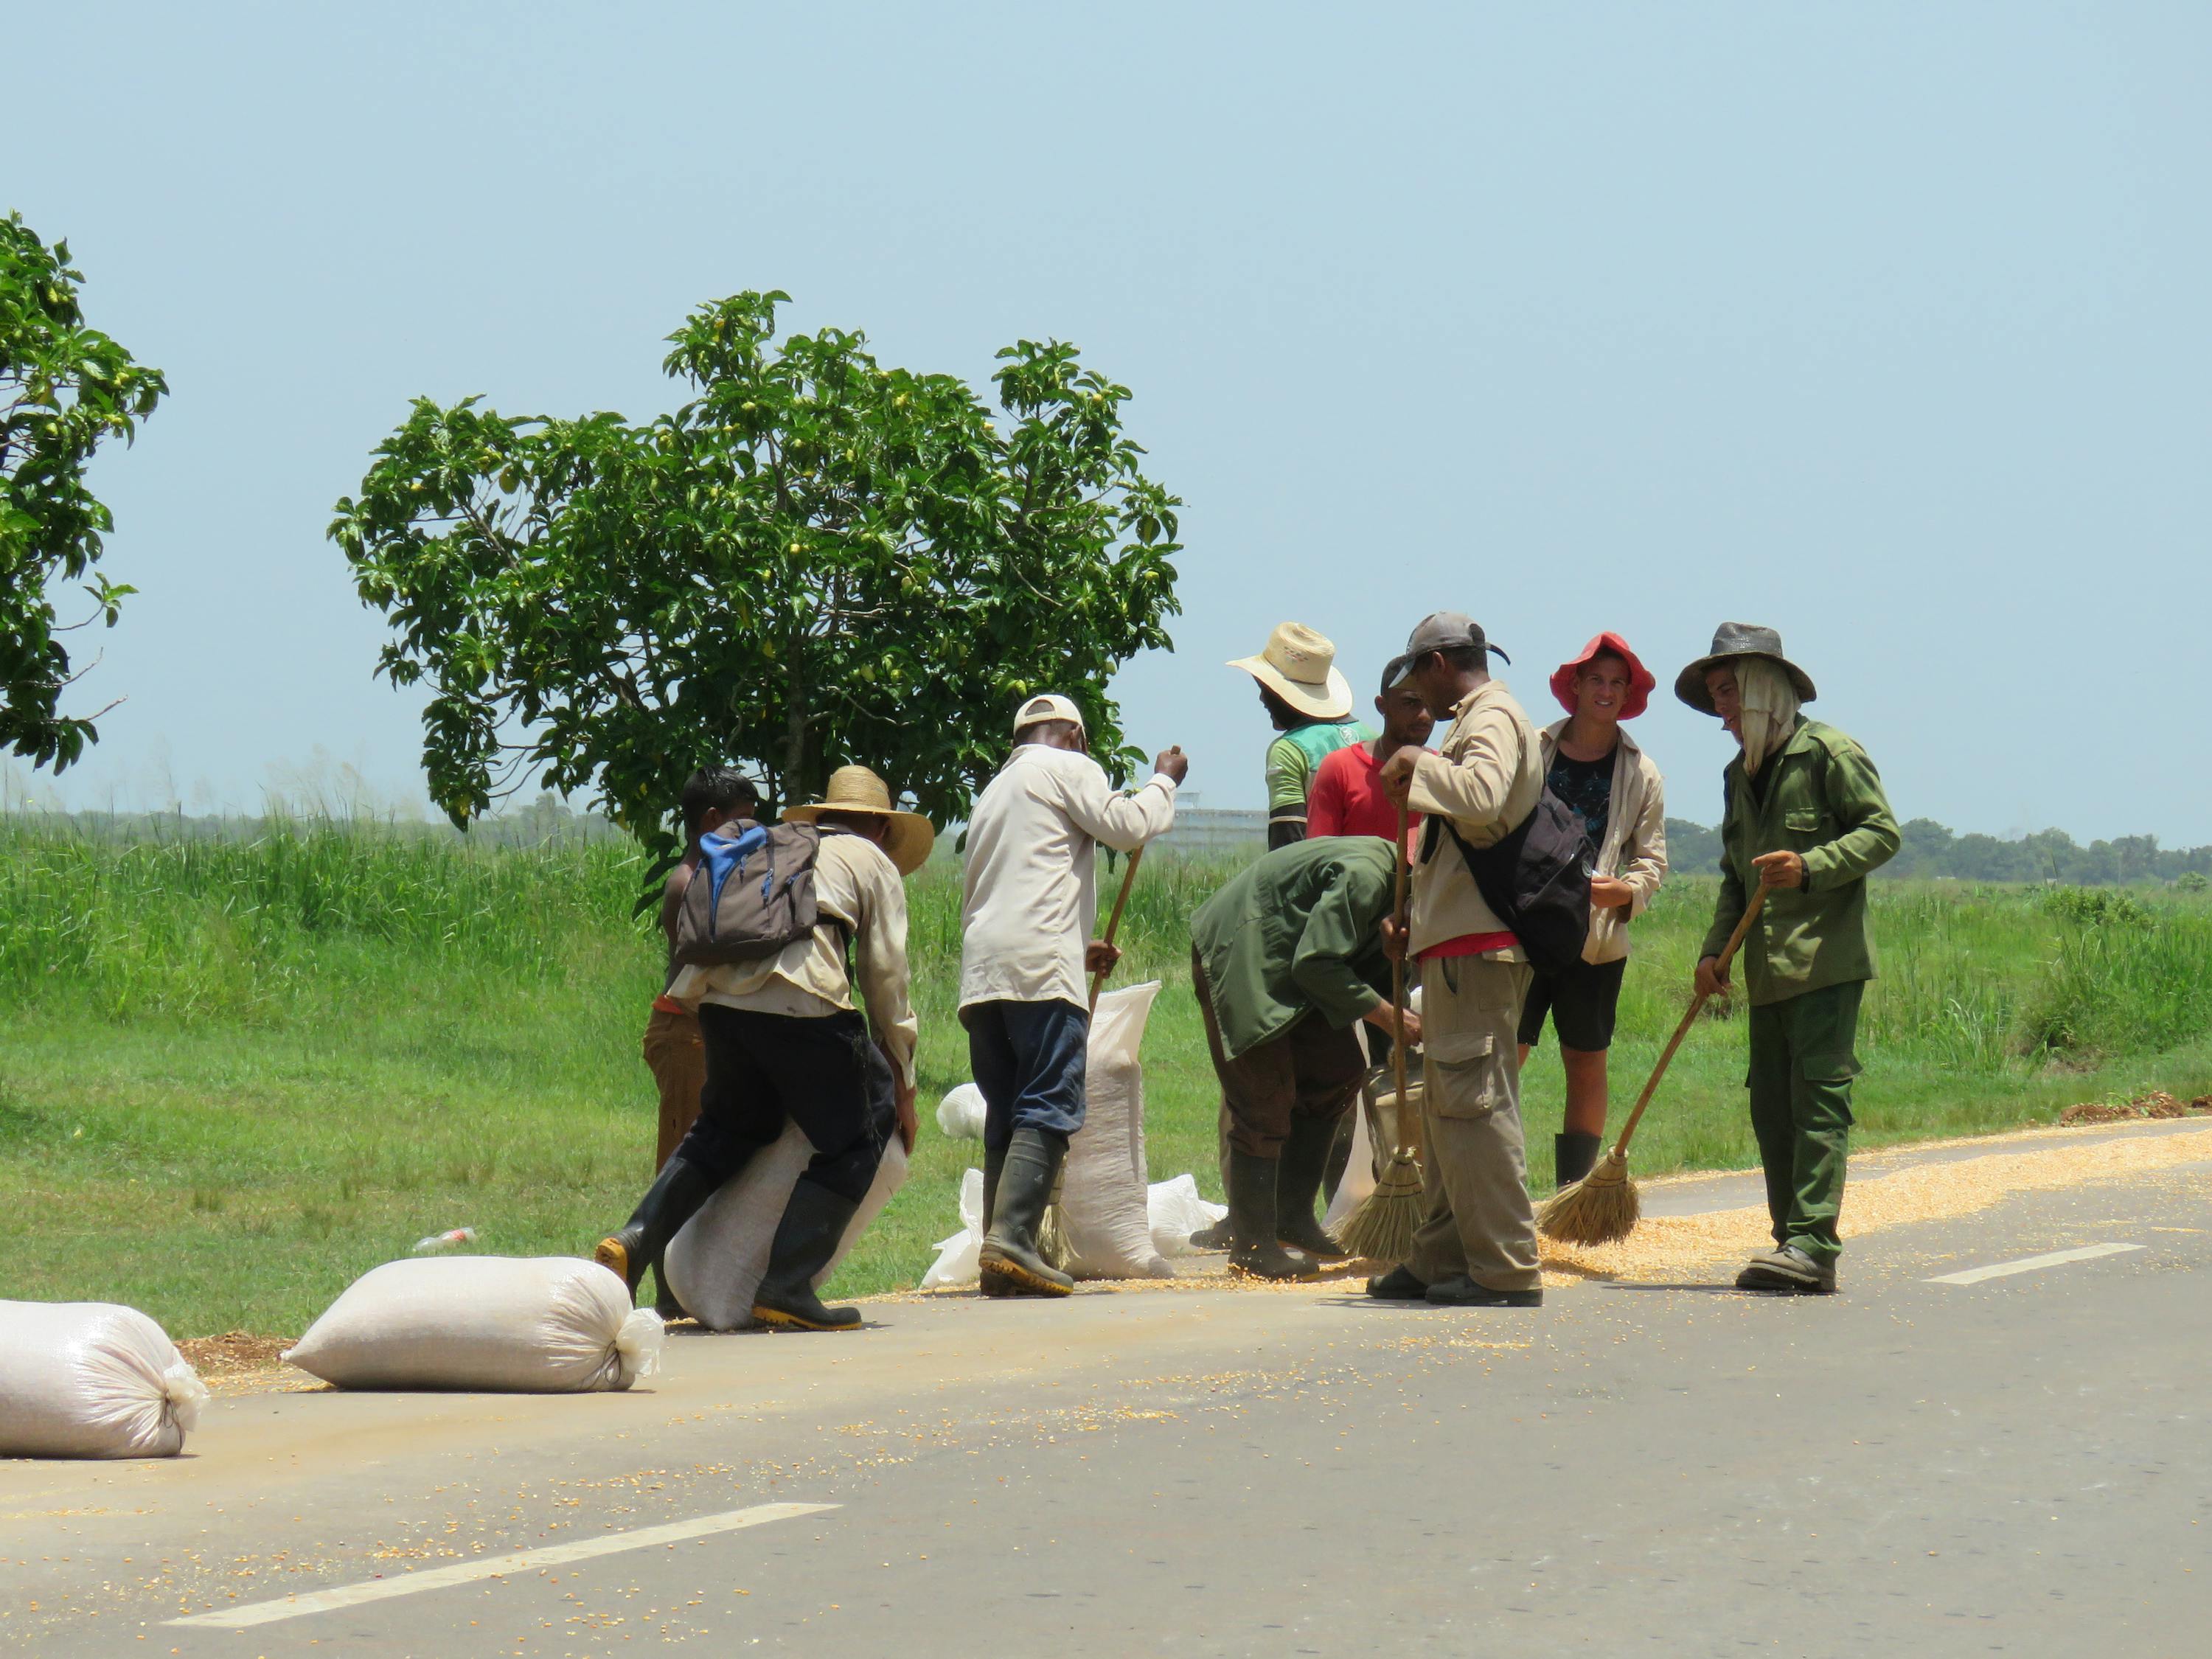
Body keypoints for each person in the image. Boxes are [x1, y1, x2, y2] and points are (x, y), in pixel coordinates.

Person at [594, 765, 931, 1332]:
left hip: (720, 1003)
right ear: (878, 826)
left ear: (822, 817)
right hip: (803, 1000)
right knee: (863, 1127)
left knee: (729, 1128)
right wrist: (903, 1081)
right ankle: (787, 1284)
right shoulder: (871, 861)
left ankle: (635, 1240)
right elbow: (885, 981)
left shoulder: (777, 841)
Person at [1678, 623, 1898, 1295]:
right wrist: (1714, 952)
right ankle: (1788, 1243)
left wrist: (1810, 866)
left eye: (1727, 692)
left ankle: (1813, 1244)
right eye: (1714, 695)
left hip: (1825, 964)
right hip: (1765, 971)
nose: (1720, 710)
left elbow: (1881, 833)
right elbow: (1734, 879)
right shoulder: (1735, 775)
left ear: (1762, 689)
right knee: (1772, 1107)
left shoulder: (1829, 752)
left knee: (1819, 1103)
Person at [960, 694, 1188, 1298]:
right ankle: (1012, 1240)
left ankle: (1000, 1255)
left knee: (1007, 1108)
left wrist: (1075, 946)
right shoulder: (1067, 767)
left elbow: (1019, 886)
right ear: (1070, 734)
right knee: (1050, 1101)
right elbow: (1130, 826)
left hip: (986, 976)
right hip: (1040, 974)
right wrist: (1162, 783)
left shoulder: (992, 793)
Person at [1368, 611, 1547, 1309]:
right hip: (1453, 946)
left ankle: (1505, 1266)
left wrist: (1421, 765)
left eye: (1418, 675)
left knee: (1477, 1108)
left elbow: (1484, 796)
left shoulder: (1493, 715)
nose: (1419, 696)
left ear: (1440, 663)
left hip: (1480, 949)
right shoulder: (1471, 722)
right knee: (1448, 1112)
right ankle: (1441, 1254)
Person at [1188, 838, 1424, 1279]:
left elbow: (1364, 977)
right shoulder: (1368, 877)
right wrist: (1391, 1017)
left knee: (1339, 1070)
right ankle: (1253, 1246)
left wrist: (1393, 1053)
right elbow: (1316, 964)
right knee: (1264, 1097)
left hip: (1292, 961)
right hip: (1245, 948)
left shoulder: (1399, 897)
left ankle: (1290, 1218)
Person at [1515, 636, 1669, 1189]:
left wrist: (1625, 892)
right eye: (1596, 680)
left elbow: (1652, 860)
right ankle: (1492, 1184)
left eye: (1616, 684)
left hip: (1596, 939)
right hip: (1525, 930)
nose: (1605, 692)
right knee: (1508, 1054)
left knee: (1586, 1060)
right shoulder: (1533, 748)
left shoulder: (1641, 771)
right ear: (1575, 687)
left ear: (1627, 695)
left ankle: (1571, 1198)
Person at [641, 767, 759, 1317]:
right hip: (683, 1032)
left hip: (702, 1030)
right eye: (743, 821)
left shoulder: (710, 876)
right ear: (712, 821)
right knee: (683, 1163)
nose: (752, 832)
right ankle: (664, 1286)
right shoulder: (690, 883)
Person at [1227, 622, 1377, 849]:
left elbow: (1288, 844)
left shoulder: (1289, 750)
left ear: (1282, 693)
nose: (1262, 699)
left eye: (1266, 689)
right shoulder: (1376, 739)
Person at [1305, 672, 1436, 843]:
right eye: (1411, 703)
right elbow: (1320, 854)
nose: (1424, 716)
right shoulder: (1340, 768)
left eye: (1431, 704)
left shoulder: (1444, 772)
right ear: (1382, 705)